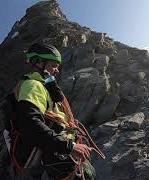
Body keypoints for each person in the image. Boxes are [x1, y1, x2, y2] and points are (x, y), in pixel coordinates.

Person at [14, 42, 96, 179]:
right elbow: (30, 124)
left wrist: (51, 82)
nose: (57, 70)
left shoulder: (44, 85)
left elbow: (57, 102)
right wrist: (69, 146)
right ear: (38, 63)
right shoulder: (32, 85)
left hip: (60, 148)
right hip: (57, 153)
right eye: (53, 65)